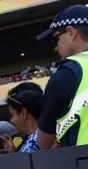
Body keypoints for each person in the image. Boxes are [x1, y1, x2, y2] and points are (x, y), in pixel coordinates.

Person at [36, 5, 88, 148]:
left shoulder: (67, 73)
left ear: (72, 33)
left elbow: (44, 143)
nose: (55, 47)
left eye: (55, 39)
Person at [6, 82, 43, 153]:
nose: (11, 121)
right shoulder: (46, 137)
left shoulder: (32, 145)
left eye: (12, 115)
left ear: (24, 113)